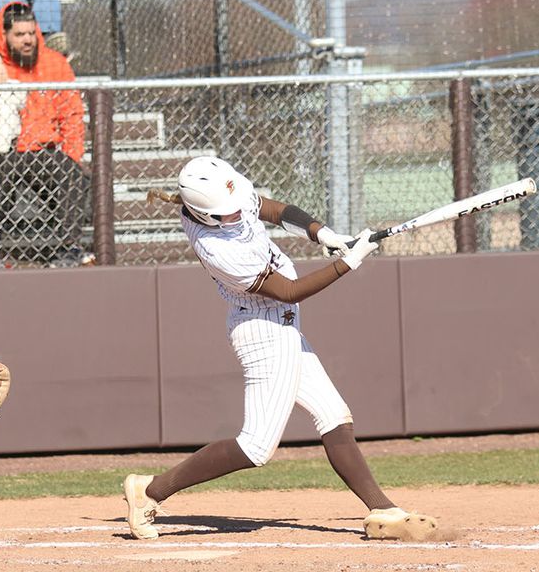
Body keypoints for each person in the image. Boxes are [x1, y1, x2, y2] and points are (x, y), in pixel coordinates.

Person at [124, 157, 438, 542]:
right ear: (204, 215)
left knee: (333, 415)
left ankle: (382, 508)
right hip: (263, 333)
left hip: (283, 325)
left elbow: (272, 208)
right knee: (256, 447)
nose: (239, 212)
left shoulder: (226, 199)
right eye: (228, 213)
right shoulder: (218, 248)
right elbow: (287, 291)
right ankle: (151, 491)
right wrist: (348, 263)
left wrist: (321, 233)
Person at [0, 2, 90, 267]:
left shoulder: (55, 65)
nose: (27, 40)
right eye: (19, 35)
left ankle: (70, 248)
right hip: (1, 151)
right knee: (0, 177)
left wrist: (72, 155)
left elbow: (71, 115)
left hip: (42, 150)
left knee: (70, 172)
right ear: (4, 36)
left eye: (31, 33)